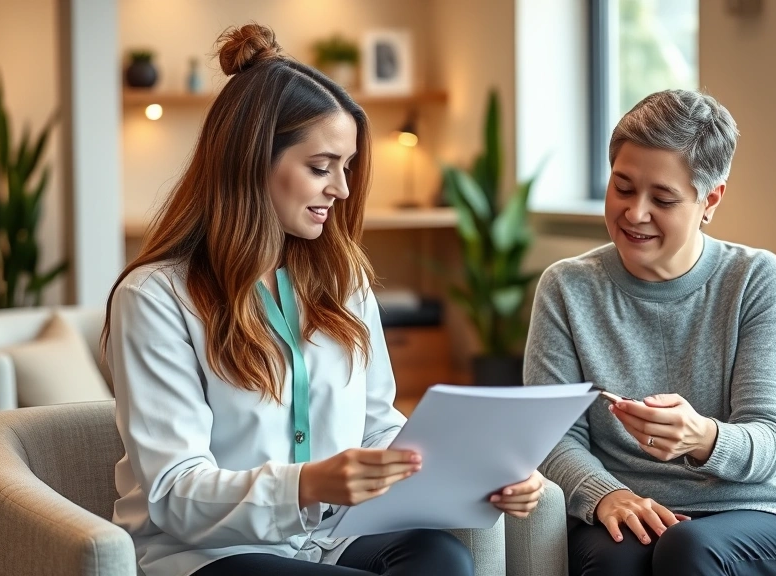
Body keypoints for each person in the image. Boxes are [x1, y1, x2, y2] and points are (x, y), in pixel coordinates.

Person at [104, 23, 544, 576]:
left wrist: (479, 473)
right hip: (210, 554)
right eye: (321, 167)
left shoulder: (341, 280)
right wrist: (309, 483)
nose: (341, 188)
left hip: (328, 539)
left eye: (346, 167)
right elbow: (175, 491)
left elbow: (376, 427)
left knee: (443, 559)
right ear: (252, 162)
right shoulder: (156, 299)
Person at [524, 89, 776, 576]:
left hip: (768, 510)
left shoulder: (755, 279)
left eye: (662, 198)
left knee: (689, 549)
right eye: (622, 187)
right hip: (635, 511)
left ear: (711, 200)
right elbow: (553, 437)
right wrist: (608, 494)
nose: (635, 213)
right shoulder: (566, 287)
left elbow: (770, 441)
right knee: (618, 564)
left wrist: (701, 437)